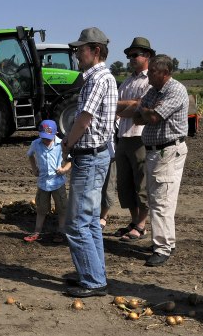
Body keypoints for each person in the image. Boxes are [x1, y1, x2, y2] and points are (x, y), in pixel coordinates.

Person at [61, 27, 118, 297]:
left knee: (76, 224)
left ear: (95, 50)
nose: (76, 54)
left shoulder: (97, 79)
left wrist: (67, 143)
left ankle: (94, 280)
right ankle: (94, 272)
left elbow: (85, 118)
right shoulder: (102, 78)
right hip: (97, 155)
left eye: (79, 49)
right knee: (91, 221)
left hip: (90, 158)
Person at [133, 54, 189, 267]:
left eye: (154, 71)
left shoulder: (175, 90)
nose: (149, 75)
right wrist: (147, 112)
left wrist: (147, 112)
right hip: (158, 152)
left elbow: (154, 117)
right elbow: (139, 116)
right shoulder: (154, 91)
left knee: (161, 200)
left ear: (165, 73)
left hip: (167, 152)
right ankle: (166, 242)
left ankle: (162, 247)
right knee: (161, 198)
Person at [113, 37, 155, 242]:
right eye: (129, 55)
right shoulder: (128, 81)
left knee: (141, 183)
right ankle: (133, 220)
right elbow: (118, 107)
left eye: (135, 55)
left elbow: (140, 106)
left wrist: (124, 107)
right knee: (125, 183)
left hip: (140, 137)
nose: (131, 58)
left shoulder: (150, 81)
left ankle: (141, 224)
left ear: (147, 56)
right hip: (123, 136)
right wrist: (127, 106)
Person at [24, 120, 71, 243]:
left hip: (58, 182)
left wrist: (64, 169)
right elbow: (30, 155)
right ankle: (37, 231)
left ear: (55, 133)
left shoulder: (61, 144)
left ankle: (61, 231)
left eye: (49, 138)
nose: (46, 140)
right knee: (41, 208)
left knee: (62, 207)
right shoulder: (36, 144)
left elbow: (71, 159)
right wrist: (34, 168)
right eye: (44, 138)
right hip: (43, 183)